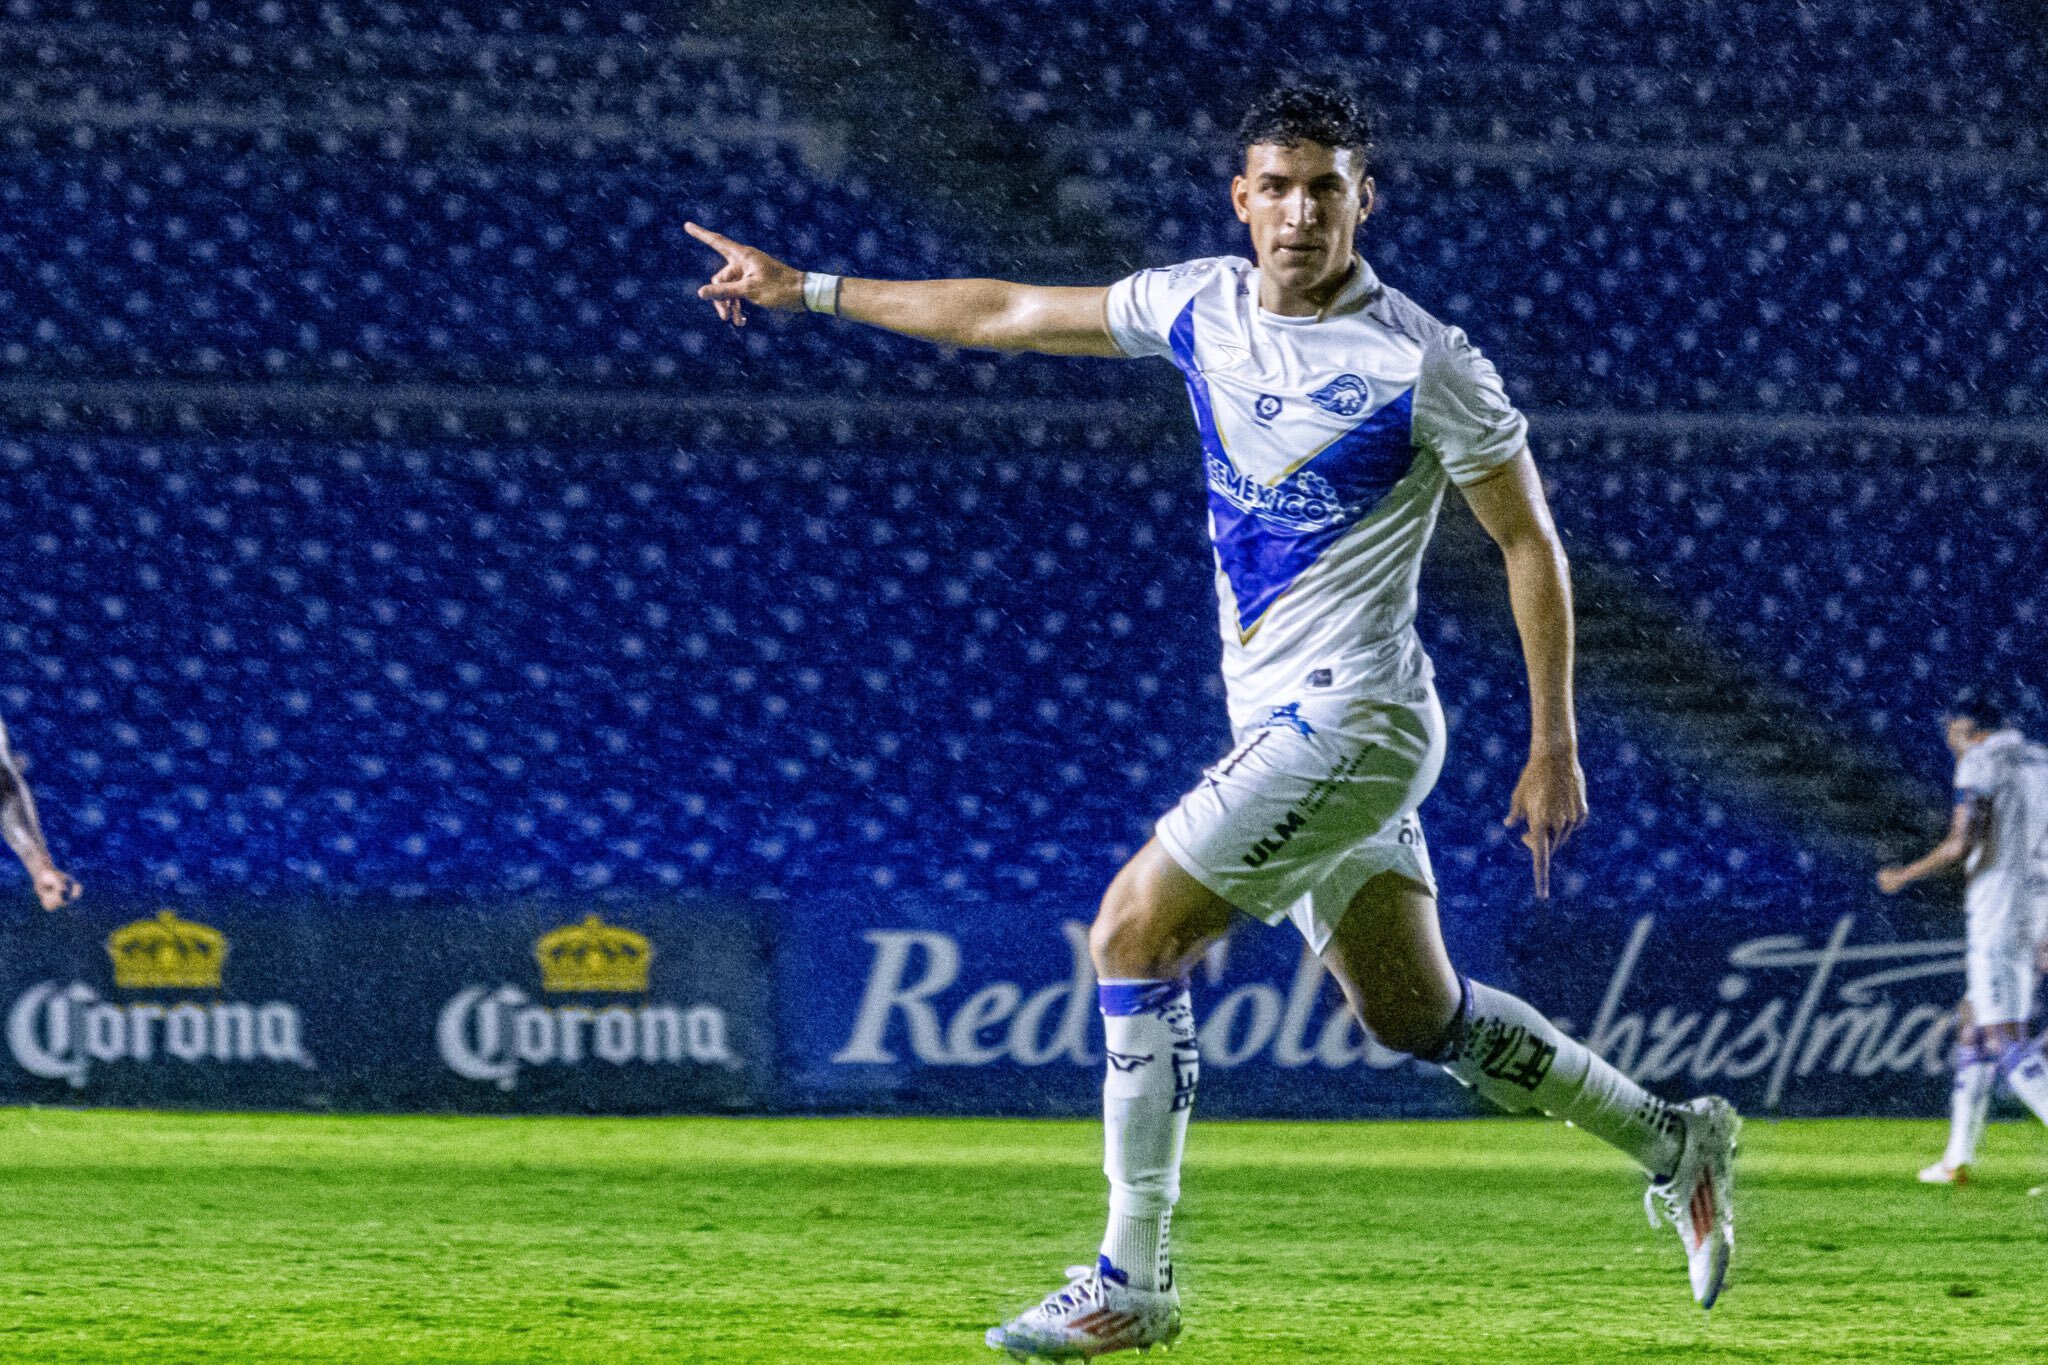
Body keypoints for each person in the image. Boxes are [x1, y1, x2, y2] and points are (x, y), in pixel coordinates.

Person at [686, 82, 1739, 1357]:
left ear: (1364, 200)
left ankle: (1131, 1276)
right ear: (1240, 200)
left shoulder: (1422, 359)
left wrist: (1552, 739)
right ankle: (1670, 1136)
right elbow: (1012, 311)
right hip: (1288, 720)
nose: (1299, 211)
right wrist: (807, 289)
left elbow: (1528, 543)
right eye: (1276, 187)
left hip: (1355, 719)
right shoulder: (1197, 305)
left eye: (1325, 187)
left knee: (1131, 935)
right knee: (1416, 1017)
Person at [1879, 686, 2048, 1183]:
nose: (1951, 743)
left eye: (1952, 732)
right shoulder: (2040, 758)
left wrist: (1904, 875)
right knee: (1973, 1023)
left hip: (1998, 908)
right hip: (2038, 900)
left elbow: (1960, 843)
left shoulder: (1979, 761)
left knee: (2005, 1038)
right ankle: (1958, 1158)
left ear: (1968, 728)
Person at [0, 715, 79, 910]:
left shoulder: (33, 855)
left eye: (44, 891)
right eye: (49, 887)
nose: (41, 888)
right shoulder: (35, 848)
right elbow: (25, 805)